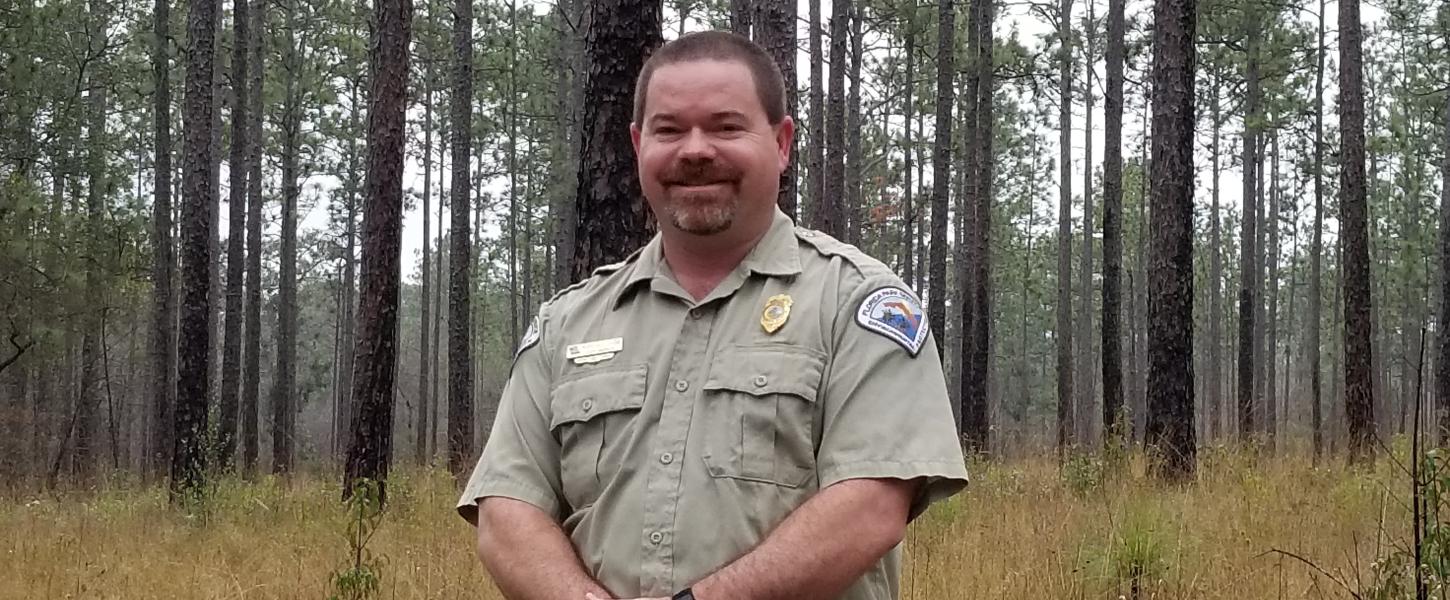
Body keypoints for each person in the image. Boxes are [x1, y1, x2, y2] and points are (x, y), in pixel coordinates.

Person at [457, 31, 968, 600]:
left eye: (726, 127)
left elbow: (871, 507)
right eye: (669, 129)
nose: (695, 151)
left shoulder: (856, 304)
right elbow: (506, 510)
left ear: (781, 142)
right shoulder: (567, 324)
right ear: (638, 145)